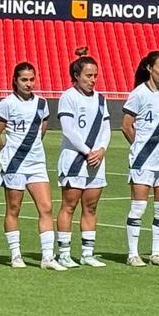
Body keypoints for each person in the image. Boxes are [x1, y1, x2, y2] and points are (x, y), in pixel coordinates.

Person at [0, 62, 63, 271]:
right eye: (24, 80)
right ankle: (15, 254)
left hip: (37, 163)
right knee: (14, 208)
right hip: (14, 164)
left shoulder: (42, 103)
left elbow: (42, 129)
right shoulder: (7, 104)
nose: (29, 83)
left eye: (31, 79)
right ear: (15, 80)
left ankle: (47, 257)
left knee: (46, 207)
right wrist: (3, 155)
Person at [122, 51, 159, 267]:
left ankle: (156, 253)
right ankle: (133, 253)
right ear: (150, 68)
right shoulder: (139, 94)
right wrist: (139, 147)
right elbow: (126, 125)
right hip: (144, 160)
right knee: (138, 208)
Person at [55, 48, 111, 268]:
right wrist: (88, 151)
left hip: (96, 161)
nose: (93, 80)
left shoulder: (100, 99)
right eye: (88, 75)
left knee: (91, 207)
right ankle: (64, 253)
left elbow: (106, 127)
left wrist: (102, 149)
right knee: (69, 206)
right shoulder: (68, 97)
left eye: (95, 75)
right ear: (77, 76)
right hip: (75, 159)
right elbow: (68, 129)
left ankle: (87, 253)